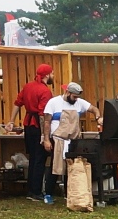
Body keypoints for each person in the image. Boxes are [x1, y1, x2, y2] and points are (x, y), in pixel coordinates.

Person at [43, 81, 95, 204]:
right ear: (67, 92)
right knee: (55, 168)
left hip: (73, 141)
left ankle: (69, 193)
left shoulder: (79, 103)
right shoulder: (53, 102)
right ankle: (49, 194)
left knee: (71, 167)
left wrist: (98, 117)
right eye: (74, 96)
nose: (76, 99)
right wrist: (46, 139)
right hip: (58, 139)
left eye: (78, 97)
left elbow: (93, 108)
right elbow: (46, 122)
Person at [15, 63, 57, 202]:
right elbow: (42, 115)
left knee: (33, 158)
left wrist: (10, 121)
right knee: (40, 159)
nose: (53, 75)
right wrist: (44, 136)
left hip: (28, 125)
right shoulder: (45, 91)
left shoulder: (28, 86)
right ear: (47, 75)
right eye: (52, 73)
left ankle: (31, 190)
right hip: (37, 126)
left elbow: (17, 103)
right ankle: (36, 192)